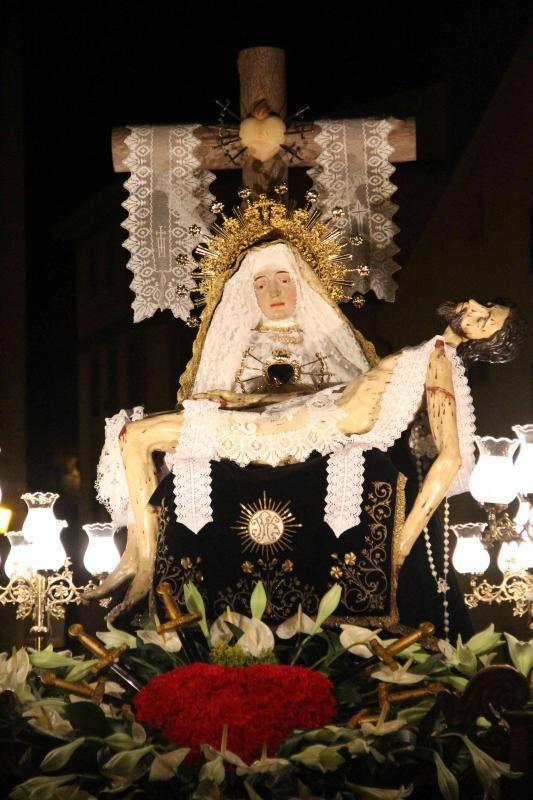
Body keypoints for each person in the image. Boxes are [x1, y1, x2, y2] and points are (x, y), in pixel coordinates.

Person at [88, 239, 525, 633]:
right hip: (298, 417)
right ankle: (139, 558)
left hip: (305, 431)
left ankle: (142, 567)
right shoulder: (430, 349)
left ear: (482, 340)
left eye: (486, 320)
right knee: (135, 435)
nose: (473, 308)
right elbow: (338, 390)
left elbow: (449, 459)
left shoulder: (440, 362)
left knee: (136, 435)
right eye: (485, 305)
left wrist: (400, 547)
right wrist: (241, 401)